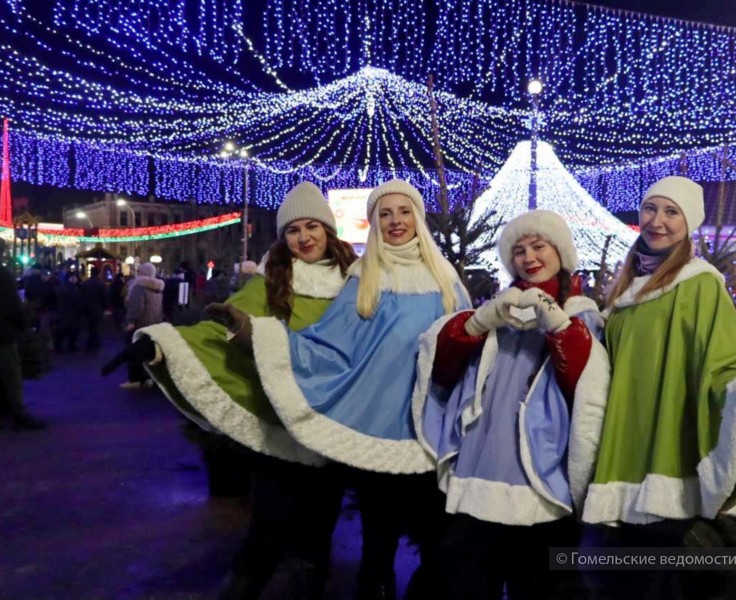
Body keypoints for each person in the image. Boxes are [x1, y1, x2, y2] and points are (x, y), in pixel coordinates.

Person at [104, 182, 357, 600]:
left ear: (329, 231)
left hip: (333, 425)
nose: (304, 237)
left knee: (315, 541)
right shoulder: (270, 282)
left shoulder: (355, 282)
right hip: (280, 429)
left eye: (313, 226)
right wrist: (161, 344)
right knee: (266, 534)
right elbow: (223, 326)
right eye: (293, 230)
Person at [576, 176, 736, 598]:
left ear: (689, 223)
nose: (658, 221)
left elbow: (723, 360)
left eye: (672, 212)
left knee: (642, 578)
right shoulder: (624, 294)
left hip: (668, 451)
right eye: (651, 208)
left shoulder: (700, 284)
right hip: (622, 450)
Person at [237, 179, 469, 600]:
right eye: (385, 214)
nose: (395, 221)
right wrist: (263, 336)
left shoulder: (446, 279)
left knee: (439, 538)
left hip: (432, 433)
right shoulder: (363, 277)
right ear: (375, 223)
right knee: (378, 542)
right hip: (376, 431)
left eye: (403, 211)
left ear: (417, 217)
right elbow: (327, 343)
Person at [413, 210, 609, 600]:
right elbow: (444, 368)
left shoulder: (580, 314)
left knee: (534, 580)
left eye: (539, 246)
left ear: (560, 253)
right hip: (482, 461)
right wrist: (481, 320)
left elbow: (583, 382)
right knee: (467, 572)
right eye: (519, 250)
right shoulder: (499, 311)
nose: (529, 257)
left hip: (542, 468)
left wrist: (555, 322)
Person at [0, 236, 46, 431]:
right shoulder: (2, 273)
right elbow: (12, 304)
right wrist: (23, 325)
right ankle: (18, 413)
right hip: (1, 333)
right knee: (11, 373)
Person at [120, 262, 164, 389]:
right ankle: (148, 378)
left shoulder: (139, 287)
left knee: (133, 352)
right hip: (152, 325)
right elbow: (159, 309)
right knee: (148, 353)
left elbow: (136, 307)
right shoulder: (158, 289)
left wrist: (130, 321)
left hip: (139, 325)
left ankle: (135, 379)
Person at [80, 265, 107, 351]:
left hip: (88, 308)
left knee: (90, 326)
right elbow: (104, 297)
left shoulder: (85, 283)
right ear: (98, 273)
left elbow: (81, 296)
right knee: (96, 326)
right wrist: (104, 307)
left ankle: (92, 343)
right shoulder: (101, 284)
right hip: (97, 308)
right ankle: (94, 343)